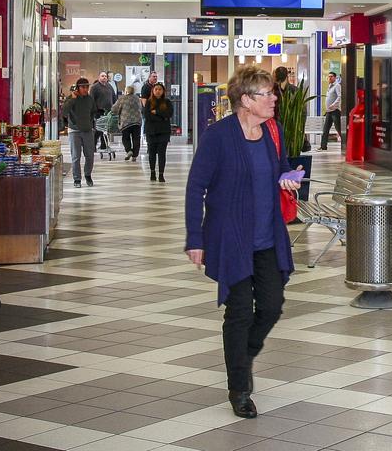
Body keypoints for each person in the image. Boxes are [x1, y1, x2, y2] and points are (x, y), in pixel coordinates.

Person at [184, 66, 301, 419]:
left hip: (267, 236)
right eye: (266, 94)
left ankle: (243, 355)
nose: (274, 99)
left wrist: (288, 178)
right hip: (231, 238)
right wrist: (195, 237)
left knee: (271, 305)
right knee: (239, 313)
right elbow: (195, 187)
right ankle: (239, 388)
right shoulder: (218, 136)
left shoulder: (273, 131)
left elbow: (280, 167)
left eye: (273, 93)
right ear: (246, 100)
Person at [61, 78, 98, 187]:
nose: (85, 89)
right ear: (78, 88)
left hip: (87, 130)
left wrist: (89, 122)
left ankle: (88, 175)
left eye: (87, 87)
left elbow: (93, 111)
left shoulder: (90, 99)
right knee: (76, 156)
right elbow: (64, 111)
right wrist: (72, 98)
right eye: (83, 87)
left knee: (90, 155)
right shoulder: (71, 98)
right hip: (74, 131)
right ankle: (77, 179)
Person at [144, 82, 174, 182]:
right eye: (156, 89)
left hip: (164, 132)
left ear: (163, 91)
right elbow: (147, 116)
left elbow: (169, 114)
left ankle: (161, 174)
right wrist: (162, 117)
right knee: (151, 153)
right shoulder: (149, 102)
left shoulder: (167, 102)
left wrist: (157, 112)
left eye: (160, 89)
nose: (158, 91)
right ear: (153, 90)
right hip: (151, 131)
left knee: (162, 153)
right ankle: (152, 172)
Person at [113, 85, 143, 162]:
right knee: (136, 138)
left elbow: (114, 109)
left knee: (125, 138)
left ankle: (129, 150)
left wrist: (116, 112)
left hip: (125, 122)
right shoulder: (137, 98)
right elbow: (140, 108)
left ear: (126, 91)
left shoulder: (122, 98)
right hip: (137, 121)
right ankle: (135, 155)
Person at [90, 71, 117, 152]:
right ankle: (93, 146)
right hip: (99, 111)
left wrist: (115, 107)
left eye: (105, 76)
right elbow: (91, 99)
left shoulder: (109, 86)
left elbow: (114, 97)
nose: (104, 77)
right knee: (98, 129)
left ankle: (103, 145)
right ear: (99, 77)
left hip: (108, 111)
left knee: (106, 129)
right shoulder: (95, 87)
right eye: (102, 76)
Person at [319, 72, 342, 151]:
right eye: (329, 77)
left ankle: (346, 144)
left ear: (335, 77)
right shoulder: (330, 86)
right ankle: (323, 146)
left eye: (331, 76)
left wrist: (333, 105)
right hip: (329, 111)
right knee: (325, 129)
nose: (329, 78)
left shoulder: (337, 86)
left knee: (338, 128)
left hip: (335, 111)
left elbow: (339, 97)